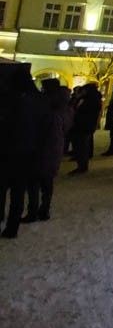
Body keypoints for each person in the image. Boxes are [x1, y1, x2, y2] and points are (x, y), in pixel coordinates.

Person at [24, 78, 71, 224]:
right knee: (47, 181)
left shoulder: (48, 106)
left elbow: (39, 128)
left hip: (42, 146)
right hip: (55, 146)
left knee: (34, 181)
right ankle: (44, 210)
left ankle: (33, 212)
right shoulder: (65, 106)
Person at [0, 68, 39, 238]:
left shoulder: (11, 100)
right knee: (18, 192)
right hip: (27, 153)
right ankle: (12, 227)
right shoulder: (36, 100)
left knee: (4, 189)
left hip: (8, 152)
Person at [70, 82, 102, 175]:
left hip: (85, 125)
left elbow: (86, 112)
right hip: (80, 125)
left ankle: (82, 166)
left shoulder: (92, 100)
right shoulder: (85, 99)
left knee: (82, 145)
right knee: (80, 145)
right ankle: (81, 164)